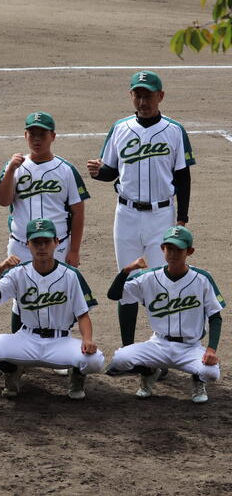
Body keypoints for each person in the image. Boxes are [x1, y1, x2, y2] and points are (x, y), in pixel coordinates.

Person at [87, 71, 194, 350]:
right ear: (131, 96)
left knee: (161, 283)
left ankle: (164, 348)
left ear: (160, 96)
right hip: (126, 215)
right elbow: (110, 171)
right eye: (138, 95)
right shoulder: (120, 128)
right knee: (128, 281)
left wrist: (182, 218)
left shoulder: (174, 130)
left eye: (148, 95)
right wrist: (97, 173)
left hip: (162, 216)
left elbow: (183, 177)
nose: (143, 101)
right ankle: (128, 350)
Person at [0, 112, 90, 362]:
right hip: (20, 245)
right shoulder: (15, 166)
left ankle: (60, 352)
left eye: (42, 134)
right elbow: (3, 200)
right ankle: (19, 356)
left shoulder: (66, 169)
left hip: (57, 245)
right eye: (32, 134)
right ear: (25, 135)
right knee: (20, 298)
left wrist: (75, 250)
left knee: (59, 297)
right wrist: (10, 170)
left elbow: (78, 211)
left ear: (53, 136)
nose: (37, 139)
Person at [0, 219, 104, 400]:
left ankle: (76, 377)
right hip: (26, 340)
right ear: (28, 244)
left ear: (56, 242)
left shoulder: (70, 275)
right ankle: (12, 370)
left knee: (95, 360)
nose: (41, 247)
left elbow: (82, 315)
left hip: (60, 342)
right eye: (36, 242)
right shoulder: (17, 272)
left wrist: (87, 339)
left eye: (46, 241)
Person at [105, 226, 224, 403]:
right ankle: (149, 372)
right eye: (169, 248)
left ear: (189, 251)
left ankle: (198, 381)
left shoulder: (202, 279)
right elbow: (114, 295)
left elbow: (215, 317)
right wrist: (126, 270)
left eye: (179, 250)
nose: (173, 254)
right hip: (158, 344)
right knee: (119, 359)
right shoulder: (149, 277)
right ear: (163, 249)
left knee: (211, 372)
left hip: (190, 347)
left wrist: (211, 350)